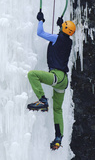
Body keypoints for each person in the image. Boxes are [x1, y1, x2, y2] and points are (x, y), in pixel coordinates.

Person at [27, 10, 76, 150]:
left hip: (56, 76)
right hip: (64, 80)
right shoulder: (69, 42)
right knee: (58, 109)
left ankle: (42, 100)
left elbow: (40, 33)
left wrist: (41, 20)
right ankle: (58, 138)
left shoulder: (56, 38)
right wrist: (61, 25)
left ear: (63, 29)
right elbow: (64, 34)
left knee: (32, 75)